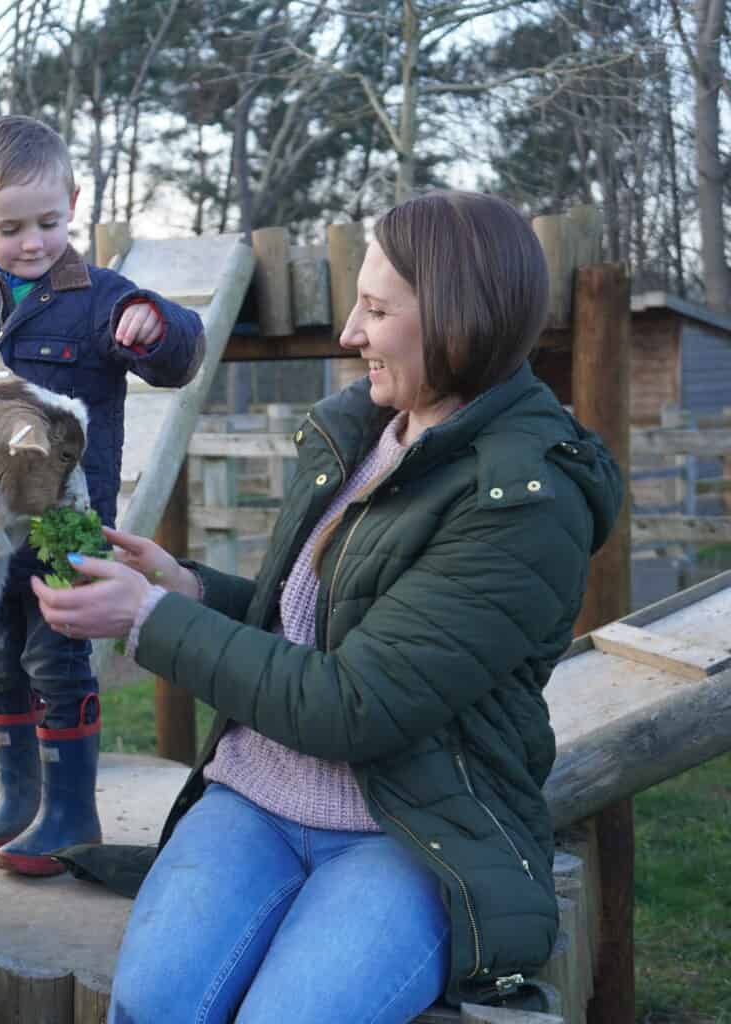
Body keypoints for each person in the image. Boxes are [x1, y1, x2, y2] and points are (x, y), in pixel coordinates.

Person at [32, 191, 624, 1019]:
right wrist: (188, 588)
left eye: (376, 309)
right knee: (154, 1004)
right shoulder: (367, 432)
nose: (349, 333)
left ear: (460, 320)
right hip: (255, 797)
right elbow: (312, 630)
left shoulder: (522, 501)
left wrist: (148, 620)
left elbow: (354, 703)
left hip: (412, 829)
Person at [0, 115, 207, 876]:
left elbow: (181, 356)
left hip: (64, 524)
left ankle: (72, 814)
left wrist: (157, 325)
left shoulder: (101, 298)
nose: (33, 241)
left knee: (58, 656)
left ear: (73, 202)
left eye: (49, 221)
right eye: (10, 228)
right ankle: (19, 800)